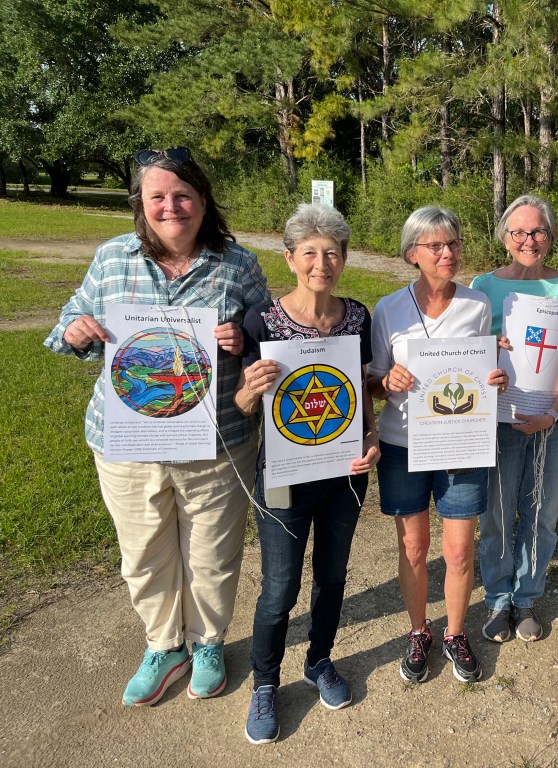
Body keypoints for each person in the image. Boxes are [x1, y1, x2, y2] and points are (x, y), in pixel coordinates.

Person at [43, 147, 270, 706]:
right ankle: (164, 644)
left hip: (217, 438)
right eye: (158, 197)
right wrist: (76, 333)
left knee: (211, 553)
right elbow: (68, 322)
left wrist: (244, 342)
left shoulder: (236, 265)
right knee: (143, 551)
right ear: (141, 204)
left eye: (183, 195)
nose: (172, 207)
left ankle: (208, 642)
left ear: (203, 200)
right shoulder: (112, 257)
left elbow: (270, 334)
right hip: (127, 440)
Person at [234, 204, 380, 744]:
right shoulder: (261, 321)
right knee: (279, 588)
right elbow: (244, 403)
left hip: (344, 472)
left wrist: (368, 436)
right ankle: (265, 684)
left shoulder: (358, 317)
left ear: (343, 260)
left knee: (333, 576)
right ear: (291, 258)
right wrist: (252, 386)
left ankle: (318, 661)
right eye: (311, 253)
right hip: (285, 474)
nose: (323, 263)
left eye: (333, 253)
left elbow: (361, 387)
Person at [367, 206, 508, 683]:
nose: (448, 253)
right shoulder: (388, 308)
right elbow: (370, 379)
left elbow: (484, 368)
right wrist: (387, 379)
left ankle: (453, 632)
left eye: (454, 243)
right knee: (412, 546)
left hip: (461, 443)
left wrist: (494, 379)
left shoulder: (477, 305)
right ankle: (418, 630)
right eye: (436, 246)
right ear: (413, 255)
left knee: (460, 551)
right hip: (403, 444)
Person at [469, 194, 558, 643]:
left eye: (538, 231)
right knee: (497, 509)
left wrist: (554, 412)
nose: (528, 240)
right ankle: (498, 597)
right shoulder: (483, 284)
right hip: (498, 416)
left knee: (542, 508)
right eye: (518, 232)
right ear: (504, 237)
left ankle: (527, 597)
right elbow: (469, 353)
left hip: (552, 419)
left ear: (551, 236)